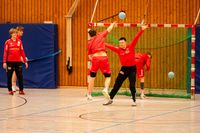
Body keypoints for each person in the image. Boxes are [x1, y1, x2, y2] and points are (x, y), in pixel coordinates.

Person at [103, 25, 148, 106]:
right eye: (120, 43)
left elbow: (136, 38)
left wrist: (142, 30)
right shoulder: (118, 50)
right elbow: (110, 46)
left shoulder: (130, 47)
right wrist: (101, 42)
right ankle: (110, 99)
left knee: (132, 85)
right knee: (117, 84)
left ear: (125, 43)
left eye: (122, 42)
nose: (121, 44)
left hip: (132, 69)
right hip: (124, 69)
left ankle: (134, 101)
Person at [87, 22, 116, 100]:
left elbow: (89, 56)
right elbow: (108, 29)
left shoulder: (89, 42)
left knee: (92, 78)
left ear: (89, 35)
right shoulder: (100, 36)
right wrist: (112, 24)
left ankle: (89, 95)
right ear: (96, 33)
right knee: (108, 76)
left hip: (95, 58)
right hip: (104, 57)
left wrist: (93, 59)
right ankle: (105, 89)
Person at [3, 28, 28, 95]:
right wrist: (4, 62)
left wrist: (25, 62)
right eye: (13, 34)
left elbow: (22, 52)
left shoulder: (19, 41)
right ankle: (10, 90)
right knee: (9, 76)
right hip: (10, 62)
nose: (15, 35)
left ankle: (21, 90)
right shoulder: (7, 42)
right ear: (11, 34)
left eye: (15, 34)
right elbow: (5, 52)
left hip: (18, 62)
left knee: (20, 76)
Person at [12, 26, 24, 92]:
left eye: (22, 31)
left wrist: (23, 57)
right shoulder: (15, 38)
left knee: (16, 72)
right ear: (18, 31)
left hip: (17, 57)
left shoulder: (19, 39)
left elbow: (20, 50)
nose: (22, 32)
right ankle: (13, 85)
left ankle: (14, 84)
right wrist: (20, 57)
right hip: (13, 57)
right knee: (14, 71)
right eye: (21, 31)